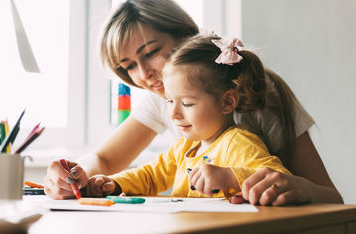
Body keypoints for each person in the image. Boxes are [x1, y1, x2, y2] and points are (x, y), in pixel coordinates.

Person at [43, 0, 343, 205]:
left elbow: (331, 197)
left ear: (187, 36)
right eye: (129, 66)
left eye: (150, 53)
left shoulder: (259, 93)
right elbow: (107, 159)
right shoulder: (164, 98)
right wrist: (73, 176)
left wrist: (295, 187)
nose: (145, 74)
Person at [81, 35, 290, 198]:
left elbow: (279, 179)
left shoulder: (238, 143)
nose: (173, 114)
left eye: (187, 104)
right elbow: (150, 176)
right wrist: (115, 183)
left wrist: (231, 178)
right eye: (170, 101)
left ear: (227, 102)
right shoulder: (184, 148)